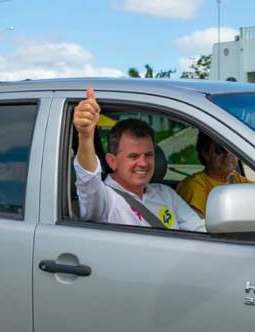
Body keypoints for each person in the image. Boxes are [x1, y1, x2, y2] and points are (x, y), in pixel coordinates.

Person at [73, 88, 204, 231]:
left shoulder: (166, 194)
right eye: (133, 156)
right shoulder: (104, 198)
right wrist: (85, 136)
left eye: (148, 155)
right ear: (112, 161)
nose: (143, 163)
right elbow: (88, 179)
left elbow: (198, 231)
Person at [176, 132, 249, 217]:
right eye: (220, 149)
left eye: (233, 149)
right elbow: (195, 227)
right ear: (206, 153)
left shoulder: (238, 180)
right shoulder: (194, 186)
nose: (228, 154)